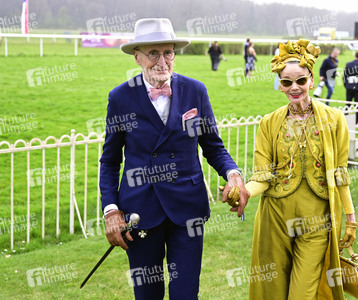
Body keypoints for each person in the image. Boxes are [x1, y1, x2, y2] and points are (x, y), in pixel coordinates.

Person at [99, 18, 249, 300]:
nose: (162, 61)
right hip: (140, 212)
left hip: (187, 210)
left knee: (185, 293)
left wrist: (233, 173)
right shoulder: (120, 98)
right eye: (153, 53)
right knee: (147, 294)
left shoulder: (196, 91)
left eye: (168, 52)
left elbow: (213, 147)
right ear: (137, 56)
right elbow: (109, 161)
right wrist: (110, 210)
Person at [243, 38, 358, 299]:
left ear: (312, 81)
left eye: (300, 81)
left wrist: (350, 219)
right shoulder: (268, 123)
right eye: (286, 82)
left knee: (302, 293)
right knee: (272, 290)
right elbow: (262, 176)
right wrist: (244, 192)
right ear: (280, 86)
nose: (294, 87)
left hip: (317, 221)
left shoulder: (334, 119)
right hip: (275, 219)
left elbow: (340, 174)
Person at [343, 51, 358, 124]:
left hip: (349, 86)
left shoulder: (348, 64)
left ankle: (345, 120)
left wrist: (346, 85)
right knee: (357, 105)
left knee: (347, 103)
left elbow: (344, 76)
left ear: (355, 56)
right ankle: (356, 122)